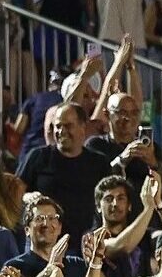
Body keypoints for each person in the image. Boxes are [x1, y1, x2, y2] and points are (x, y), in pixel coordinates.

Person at [15, 102, 113, 248]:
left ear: (82, 127)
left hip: (85, 244)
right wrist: (28, 197)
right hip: (42, 243)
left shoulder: (98, 162)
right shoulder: (38, 157)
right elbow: (15, 193)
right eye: (58, 126)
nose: (61, 131)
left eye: (68, 126)